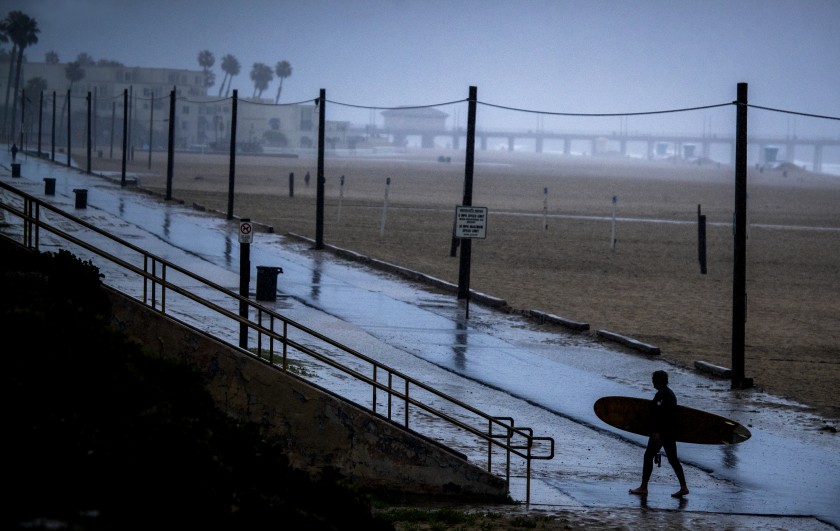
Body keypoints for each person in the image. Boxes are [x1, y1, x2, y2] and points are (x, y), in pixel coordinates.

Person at [629, 370, 689, 498]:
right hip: (669, 432)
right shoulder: (669, 394)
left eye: (654, 381)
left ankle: (644, 487)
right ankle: (683, 487)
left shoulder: (663, 395)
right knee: (673, 460)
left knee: (648, 456)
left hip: (662, 433)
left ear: (658, 381)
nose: (652, 383)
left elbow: (661, 415)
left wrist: (656, 432)